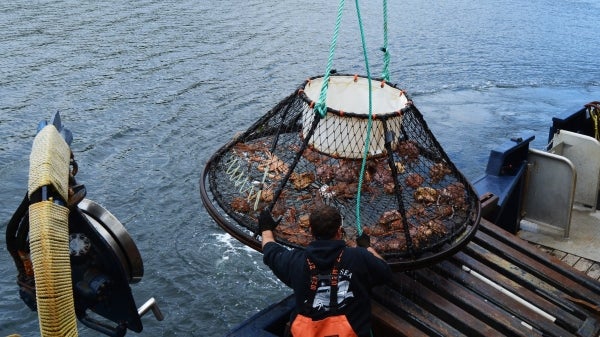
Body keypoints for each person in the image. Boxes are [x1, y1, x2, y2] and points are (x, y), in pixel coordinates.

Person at [259, 205, 392, 337]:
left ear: (311, 231)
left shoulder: (295, 261)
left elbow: (270, 250)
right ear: (339, 231)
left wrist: (266, 229)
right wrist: (367, 248)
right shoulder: (360, 258)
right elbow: (385, 271)